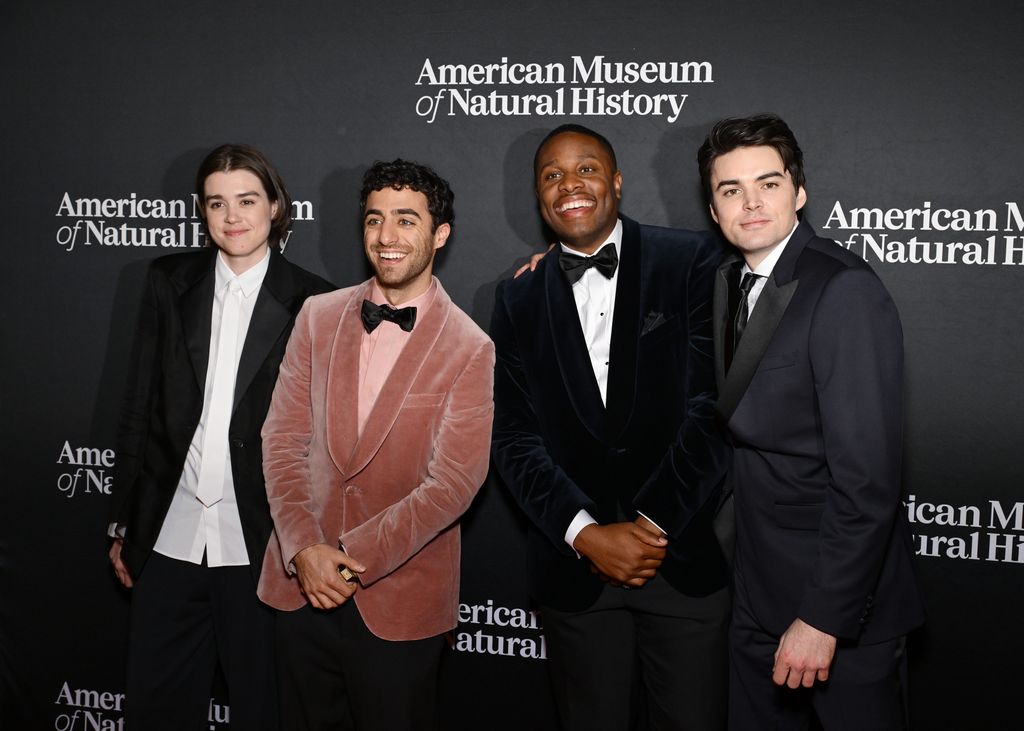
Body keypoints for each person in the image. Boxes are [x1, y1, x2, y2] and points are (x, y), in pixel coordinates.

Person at [491, 124, 731, 730]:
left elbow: (714, 409)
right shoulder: (515, 298)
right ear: (538, 196)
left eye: (586, 169)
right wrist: (586, 534)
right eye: (552, 175)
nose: (570, 185)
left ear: (617, 182)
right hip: (576, 578)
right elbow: (514, 438)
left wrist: (648, 527)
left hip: (679, 563)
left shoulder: (691, 260)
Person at [697, 114, 925, 730]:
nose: (750, 203)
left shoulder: (843, 290)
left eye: (768, 184)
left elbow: (869, 479)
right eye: (730, 190)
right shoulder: (726, 279)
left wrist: (824, 617)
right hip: (754, 591)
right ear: (713, 209)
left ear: (799, 192)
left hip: (837, 612)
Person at [257, 159, 494, 731]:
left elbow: (454, 484)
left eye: (406, 221)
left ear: (439, 234)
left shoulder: (470, 346)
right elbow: (282, 439)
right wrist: (306, 550)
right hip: (298, 587)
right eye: (374, 220)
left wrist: (348, 562)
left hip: (399, 602)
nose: (386, 237)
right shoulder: (317, 316)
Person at [107, 143, 334, 730]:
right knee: (154, 710)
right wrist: (123, 521)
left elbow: (321, 438)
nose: (232, 216)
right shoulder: (166, 280)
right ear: (202, 213)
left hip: (259, 547)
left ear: (277, 207)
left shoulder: (316, 300)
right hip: (169, 538)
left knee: (264, 710)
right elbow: (139, 404)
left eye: (247, 200)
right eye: (216, 203)